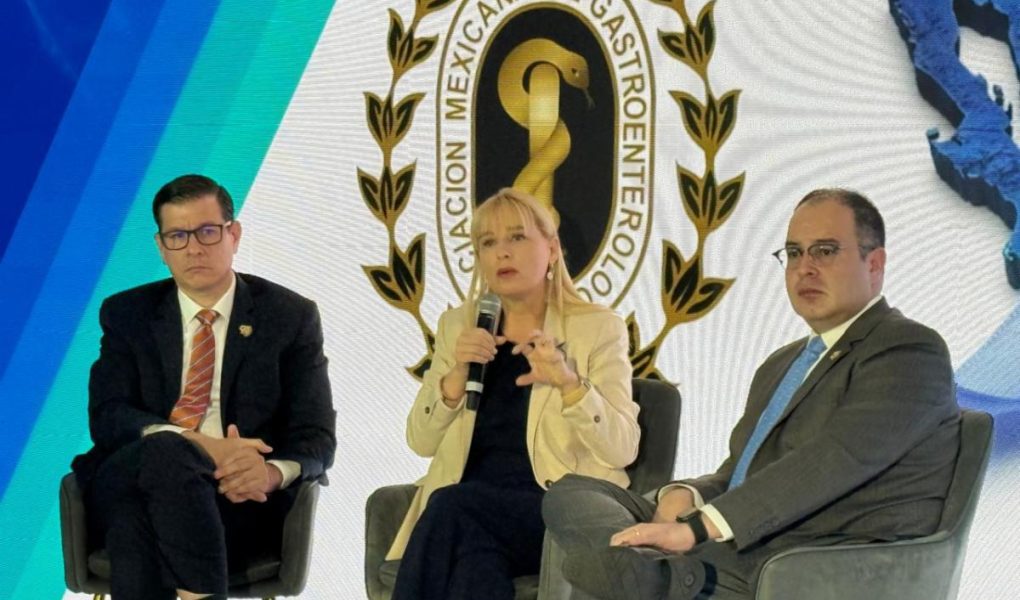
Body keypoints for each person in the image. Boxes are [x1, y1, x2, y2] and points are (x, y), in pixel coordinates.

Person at [542, 188, 961, 599]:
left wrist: (696, 528)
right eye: (794, 253)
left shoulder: (908, 350)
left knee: (605, 571)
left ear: (875, 263)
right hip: (736, 539)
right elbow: (739, 474)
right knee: (574, 493)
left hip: (802, 557)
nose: (805, 267)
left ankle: (649, 576)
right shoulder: (782, 363)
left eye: (825, 251)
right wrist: (686, 495)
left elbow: (834, 460)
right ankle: (647, 574)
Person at [70, 174, 337, 600]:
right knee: (165, 451)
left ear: (234, 235)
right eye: (177, 236)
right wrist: (200, 445)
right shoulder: (128, 313)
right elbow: (109, 417)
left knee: (134, 521)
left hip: (234, 498)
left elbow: (317, 437)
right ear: (161, 248)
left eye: (207, 232)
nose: (193, 248)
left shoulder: (288, 317)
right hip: (128, 474)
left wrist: (269, 474)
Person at [388, 188, 641, 599]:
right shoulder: (459, 326)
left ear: (552, 250)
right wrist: (455, 378)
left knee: (452, 508)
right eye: (488, 243)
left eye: (517, 237)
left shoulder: (597, 328)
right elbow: (421, 441)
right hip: (471, 511)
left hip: (556, 509)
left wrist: (569, 384)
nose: (502, 252)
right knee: (473, 566)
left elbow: (622, 448)